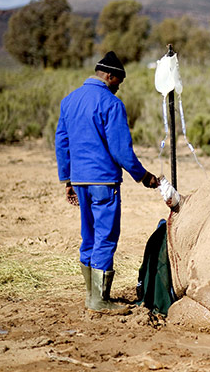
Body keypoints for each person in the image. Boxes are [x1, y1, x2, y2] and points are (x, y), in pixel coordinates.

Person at [56, 51, 159, 314]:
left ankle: (91, 295)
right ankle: (100, 301)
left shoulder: (69, 100)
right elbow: (121, 150)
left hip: (79, 180)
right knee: (106, 236)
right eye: (118, 82)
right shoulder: (112, 104)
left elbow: (62, 142)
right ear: (110, 76)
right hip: (104, 182)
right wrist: (144, 176)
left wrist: (66, 179)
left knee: (88, 235)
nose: (118, 88)